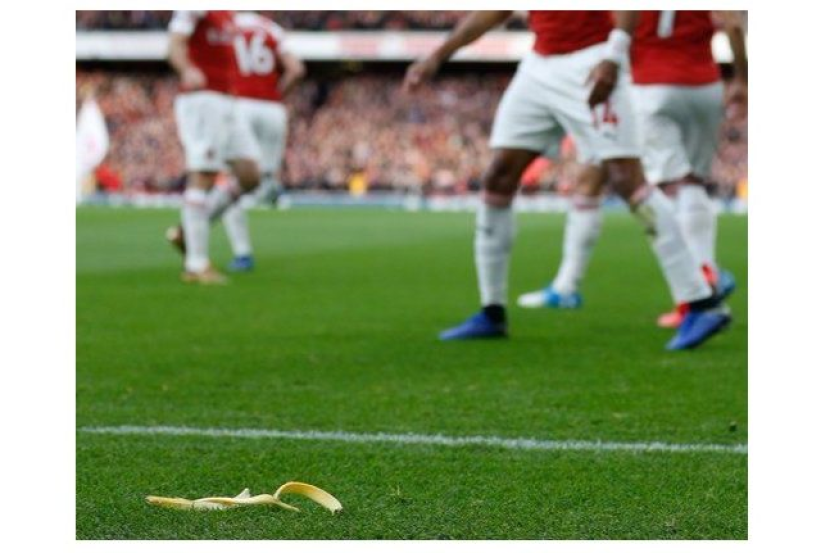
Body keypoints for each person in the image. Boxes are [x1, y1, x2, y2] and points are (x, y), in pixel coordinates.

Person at [404, 10, 730, 350]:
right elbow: (495, 10)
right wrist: (437, 56)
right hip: (539, 66)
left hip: (592, 61)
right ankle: (492, 311)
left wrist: (614, 55)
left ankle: (702, 303)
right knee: (498, 176)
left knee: (627, 179)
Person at [518, 10, 748, 329]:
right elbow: (733, 24)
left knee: (651, 182)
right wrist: (741, 78)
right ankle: (568, 285)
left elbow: (611, 27)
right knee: (690, 182)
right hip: (703, 85)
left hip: (646, 85)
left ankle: (699, 282)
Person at [165, 10, 260, 284]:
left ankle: (189, 231)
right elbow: (175, 42)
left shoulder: (227, 15)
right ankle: (196, 265)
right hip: (203, 98)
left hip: (228, 100)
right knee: (203, 175)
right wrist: (186, 69)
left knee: (250, 174)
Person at [221, 11, 306, 272]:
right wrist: (276, 94)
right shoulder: (271, 29)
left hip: (240, 105)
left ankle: (242, 253)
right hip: (273, 110)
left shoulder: (227, 25)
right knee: (265, 176)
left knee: (232, 182)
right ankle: (271, 189)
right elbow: (296, 69)